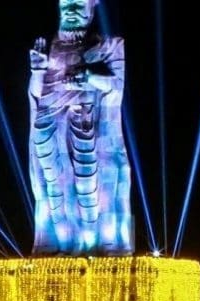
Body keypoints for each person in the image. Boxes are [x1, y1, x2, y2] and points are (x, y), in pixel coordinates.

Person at [28, 0, 132, 256]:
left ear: (92, 5)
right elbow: (35, 96)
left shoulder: (109, 46)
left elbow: (116, 86)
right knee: (54, 190)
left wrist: (90, 78)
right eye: (66, 2)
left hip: (89, 131)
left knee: (91, 193)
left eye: (78, 2)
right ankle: (60, 246)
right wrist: (38, 71)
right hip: (49, 130)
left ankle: (97, 245)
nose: (71, 9)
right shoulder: (48, 48)